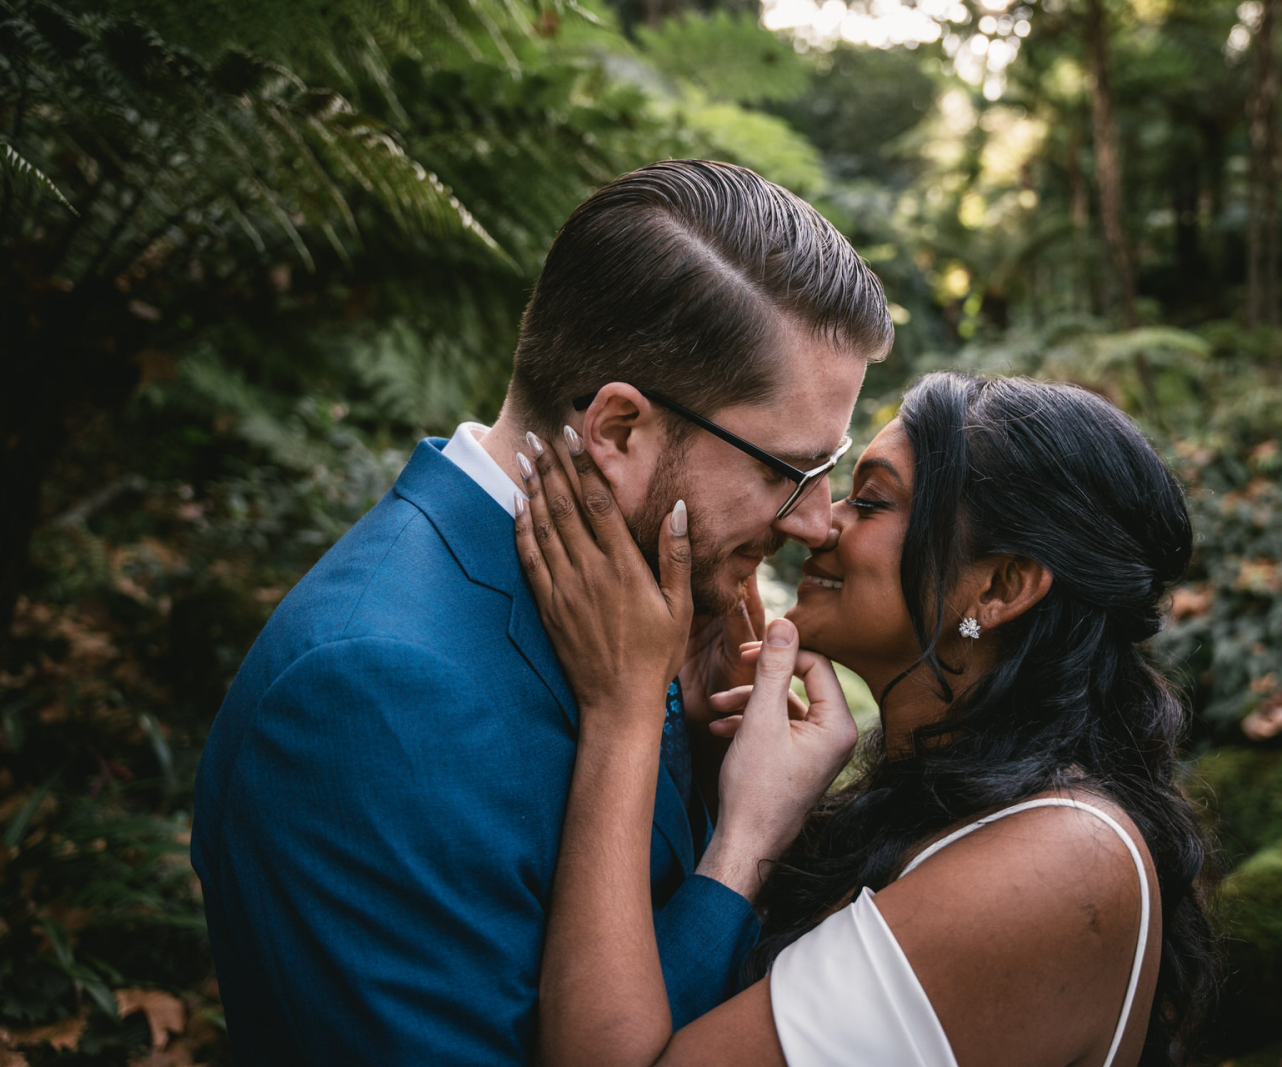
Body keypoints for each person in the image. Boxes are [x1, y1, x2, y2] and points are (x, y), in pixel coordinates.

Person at [189, 159, 892, 1064]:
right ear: (620, 431)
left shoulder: (655, 600)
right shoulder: (368, 690)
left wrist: (721, 776)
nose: (813, 519)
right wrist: (744, 846)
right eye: (784, 470)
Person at [516, 371, 1219, 1067]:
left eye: (871, 501)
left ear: (1001, 584)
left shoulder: (1061, 861)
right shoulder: (955, 812)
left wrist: (626, 710)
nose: (819, 524)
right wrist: (713, 766)